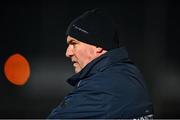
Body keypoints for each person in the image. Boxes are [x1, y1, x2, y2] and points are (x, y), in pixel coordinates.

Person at [47, 9, 153, 119]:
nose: (68, 53)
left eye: (74, 44)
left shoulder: (100, 89)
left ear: (98, 45)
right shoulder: (130, 74)